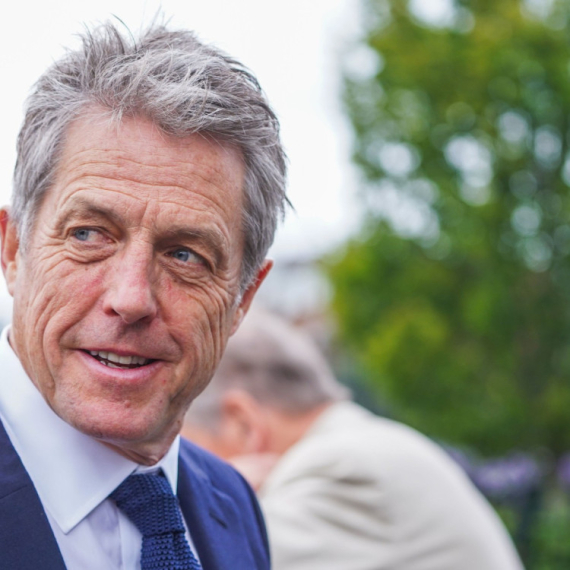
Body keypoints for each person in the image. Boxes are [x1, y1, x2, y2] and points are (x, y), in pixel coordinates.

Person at [0, 19, 288, 570]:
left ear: (243, 298)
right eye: (89, 235)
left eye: (185, 255)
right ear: (13, 249)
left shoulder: (234, 506)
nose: (131, 298)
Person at [182, 310, 525, 570]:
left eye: (183, 445)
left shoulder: (339, 470)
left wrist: (215, 494)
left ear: (243, 425)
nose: (175, 465)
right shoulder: (366, 446)